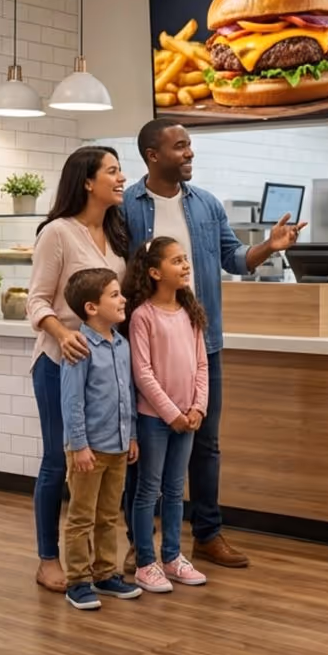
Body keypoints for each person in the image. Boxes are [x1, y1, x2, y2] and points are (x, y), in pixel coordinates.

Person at [124, 118, 305, 569]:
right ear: (153, 155)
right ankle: (140, 543)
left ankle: (207, 534)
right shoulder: (126, 206)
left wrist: (270, 246)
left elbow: (235, 260)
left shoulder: (206, 205)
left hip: (202, 343)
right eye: (180, 146)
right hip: (144, 341)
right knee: (143, 443)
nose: (189, 153)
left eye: (190, 146)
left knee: (206, 442)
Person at [25, 146, 129, 594]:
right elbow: (37, 300)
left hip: (104, 366)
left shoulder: (117, 232)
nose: (121, 178)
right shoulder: (58, 233)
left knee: (99, 469)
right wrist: (60, 333)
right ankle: (48, 559)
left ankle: (101, 567)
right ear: (87, 181)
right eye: (113, 171)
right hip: (58, 362)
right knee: (57, 460)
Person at [124, 237, 211, 593]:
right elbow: (142, 373)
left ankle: (173, 557)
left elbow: (202, 365)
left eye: (185, 259)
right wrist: (172, 413)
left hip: (187, 419)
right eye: (177, 261)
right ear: (156, 272)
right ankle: (146, 562)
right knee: (148, 491)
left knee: (176, 492)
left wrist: (198, 407)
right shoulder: (143, 316)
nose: (185, 266)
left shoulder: (191, 313)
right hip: (154, 420)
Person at [59, 267, 141, 610]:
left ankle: (106, 573)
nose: (123, 299)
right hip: (88, 451)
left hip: (119, 446)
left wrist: (132, 435)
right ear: (92, 307)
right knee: (81, 517)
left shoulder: (121, 344)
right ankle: (77, 581)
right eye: (114, 295)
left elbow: (129, 394)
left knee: (108, 515)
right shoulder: (79, 347)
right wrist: (79, 446)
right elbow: (72, 400)